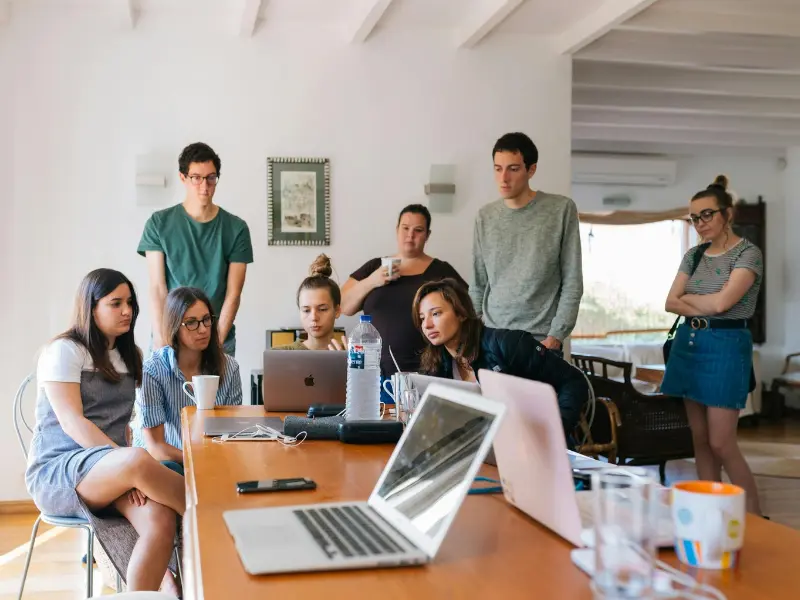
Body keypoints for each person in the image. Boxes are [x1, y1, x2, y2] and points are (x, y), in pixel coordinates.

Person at [25, 269, 184, 593]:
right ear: (91, 306)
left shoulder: (130, 356)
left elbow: (123, 424)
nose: (127, 310)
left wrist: (126, 468)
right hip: (60, 470)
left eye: (130, 303)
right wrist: (126, 465)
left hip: (113, 469)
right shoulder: (65, 350)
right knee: (140, 460)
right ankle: (215, 520)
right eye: (116, 303)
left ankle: (141, 596)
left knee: (160, 521)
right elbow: (73, 422)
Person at [662, 175, 763, 515]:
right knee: (701, 441)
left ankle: (753, 517)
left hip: (727, 347)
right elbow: (670, 303)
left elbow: (723, 305)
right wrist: (699, 301)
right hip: (690, 344)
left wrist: (690, 298)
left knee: (722, 441)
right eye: (693, 218)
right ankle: (710, 513)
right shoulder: (694, 255)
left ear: (727, 214)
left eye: (707, 215)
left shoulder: (749, 253)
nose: (699, 223)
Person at [413, 278, 588, 436]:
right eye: (422, 318)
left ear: (461, 313)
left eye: (436, 313)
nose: (427, 325)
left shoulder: (508, 344)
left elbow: (573, 380)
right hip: (485, 450)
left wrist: (554, 431)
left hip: (530, 447)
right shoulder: (437, 364)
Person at [471, 132, 583, 356]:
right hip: (492, 339)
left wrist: (556, 336)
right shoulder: (485, 216)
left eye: (513, 169)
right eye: (497, 168)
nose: (503, 178)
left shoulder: (560, 210)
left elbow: (572, 282)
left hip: (540, 342)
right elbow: (478, 284)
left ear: (531, 170)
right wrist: (470, 336)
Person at [137, 142, 253, 356]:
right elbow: (157, 288)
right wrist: (162, 340)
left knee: (217, 391)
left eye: (211, 177)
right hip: (171, 335)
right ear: (183, 178)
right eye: (196, 178)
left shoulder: (236, 228)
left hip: (217, 335)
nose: (204, 185)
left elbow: (233, 294)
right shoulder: (159, 224)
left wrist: (216, 343)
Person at [341, 204, 467, 398]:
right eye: (405, 228)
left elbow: (466, 312)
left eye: (418, 230)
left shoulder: (441, 270)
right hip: (375, 375)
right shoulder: (375, 266)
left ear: (427, 235)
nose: (411, 235)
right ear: (397, 230)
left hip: (428, 374)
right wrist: (372, 281)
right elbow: (343, 306)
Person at [133, 287, 243, 470]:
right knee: (170, 468)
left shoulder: (230, 367)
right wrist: (199, 460)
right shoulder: (152, 370)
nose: (202, 330)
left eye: (206, 320)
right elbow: (156, 447)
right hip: (167, 463)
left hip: (214, 460)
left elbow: (231, 433)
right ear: (175, 326)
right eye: (191, 323)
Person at [275, 254, 347, 351]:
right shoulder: (279, 354)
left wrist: (347, 364)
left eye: (322, 309)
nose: (314, 317)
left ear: (337, 311)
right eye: (306, 310)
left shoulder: (351, 355)